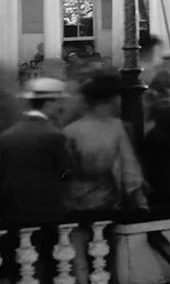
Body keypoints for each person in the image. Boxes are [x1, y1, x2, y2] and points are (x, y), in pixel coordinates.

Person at [62, 76, 149, 214]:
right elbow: (129, 166)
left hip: (74, 202)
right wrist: (140, 200)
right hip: (108, 202)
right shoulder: (117, 127)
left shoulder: (70, 130)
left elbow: (65, 170)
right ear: (111, 99)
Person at [0, 78, 74, 226]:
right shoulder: (54, 135)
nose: (62, 107)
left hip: (13, 211)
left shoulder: (6, 135)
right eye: (59, 102)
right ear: (49, 103)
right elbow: (67, 171)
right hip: (47, 211)